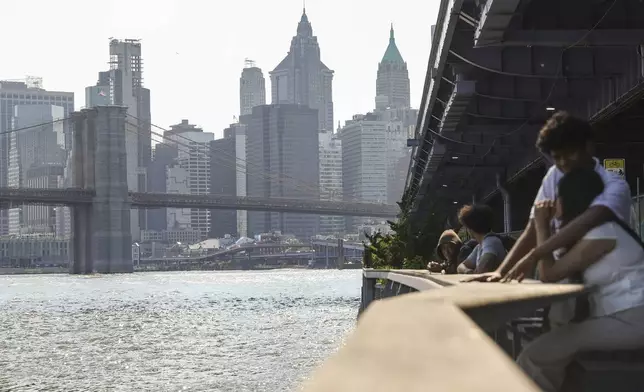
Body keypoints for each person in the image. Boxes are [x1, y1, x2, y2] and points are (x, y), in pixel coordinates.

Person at [464, 111, 632, 283]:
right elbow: (533, 227)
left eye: (570, 153)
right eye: (557, 157)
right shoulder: (555, 175)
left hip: (612, 278)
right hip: (571, 275)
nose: (564, 162)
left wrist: (536, 252)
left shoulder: (614, 185)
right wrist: (501, 271)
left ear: (588, 146)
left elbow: (590, 219)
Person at [516, 168, 644, 392]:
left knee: (535, 355)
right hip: (622, 316)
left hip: (632, 319)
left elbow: (548, 275)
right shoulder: (601, 231)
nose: (553, 205)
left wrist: (542, 225)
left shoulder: (603, 232)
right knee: (557, 338)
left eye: (557, 198)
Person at [456, 204, 507, 274]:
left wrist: (474, 272)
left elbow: (483, 268)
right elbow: (460, 266)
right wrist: (467, 271)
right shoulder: (480, 246)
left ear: (470, 228)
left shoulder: (490, 241)